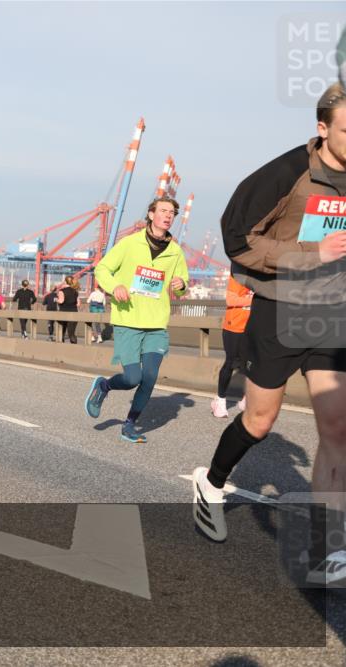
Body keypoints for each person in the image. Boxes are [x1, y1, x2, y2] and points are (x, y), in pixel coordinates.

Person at [192, 84, 346, 585]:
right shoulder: (286, 172)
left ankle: (327, 554)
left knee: (337, 429)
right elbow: (237, 240)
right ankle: (212, 482)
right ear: (323, 129)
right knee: (259, 421)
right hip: (280, 311)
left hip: (333, 315)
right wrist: (312, 255)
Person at [84, 196, 190, 444]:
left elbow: (183, 283)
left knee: (150, 376)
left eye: (172, 212)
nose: (168, 215)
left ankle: (129, 425)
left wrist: (181, 284)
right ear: (151, 214)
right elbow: (102, 269)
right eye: (163, 210)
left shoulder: (175, 251)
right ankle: (104, 387)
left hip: (156, 324)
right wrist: (114, 286)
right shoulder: (129, 243)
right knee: (133, 378)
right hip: (128, 319)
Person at [211, 276, 253, 418]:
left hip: (252, 328)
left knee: (253, 364)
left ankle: (246, 399)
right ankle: (220, 399)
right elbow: (231, 300)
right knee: (231, 363)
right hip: (234, 327)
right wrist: (256, 300)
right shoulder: (238, 276)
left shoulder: (261, 278)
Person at [57, 276, 80, 344]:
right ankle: (74, 347)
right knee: (71, 333)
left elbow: (61, 301)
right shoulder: (75, 291)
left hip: (63, 312)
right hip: (74, 312)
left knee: (62, 332)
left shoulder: (62, 291)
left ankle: (61, 347)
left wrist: (56, 300)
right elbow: (78, 304)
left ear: (65, 281)